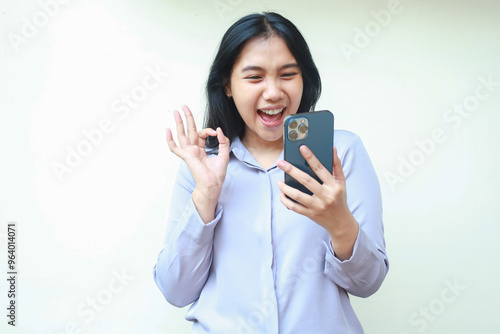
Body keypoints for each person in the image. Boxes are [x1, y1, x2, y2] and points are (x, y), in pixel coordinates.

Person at [153, 11, 388, 334]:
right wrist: (206, 197)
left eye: (287, 74)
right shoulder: (202, 167)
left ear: (305, 79)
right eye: (254, 77)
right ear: (228, 86)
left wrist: (340, 224)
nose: (274, 92)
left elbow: (368, 283)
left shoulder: (341, 154)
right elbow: (176, 291)